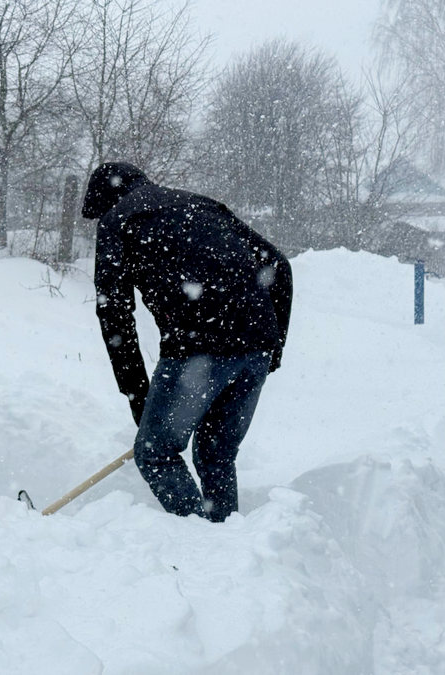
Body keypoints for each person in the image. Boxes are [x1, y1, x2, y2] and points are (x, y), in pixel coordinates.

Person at [81, 162, 292, 521]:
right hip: (255, 344)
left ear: (106, 200)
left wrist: (138, 396)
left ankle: (201, 542)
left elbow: (113, 314)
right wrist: (273, 344)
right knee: (216, 454)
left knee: (155, 453)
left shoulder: (118, 220)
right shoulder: (202, 205)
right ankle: (227, 538)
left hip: (198, 349)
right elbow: (278, 264)